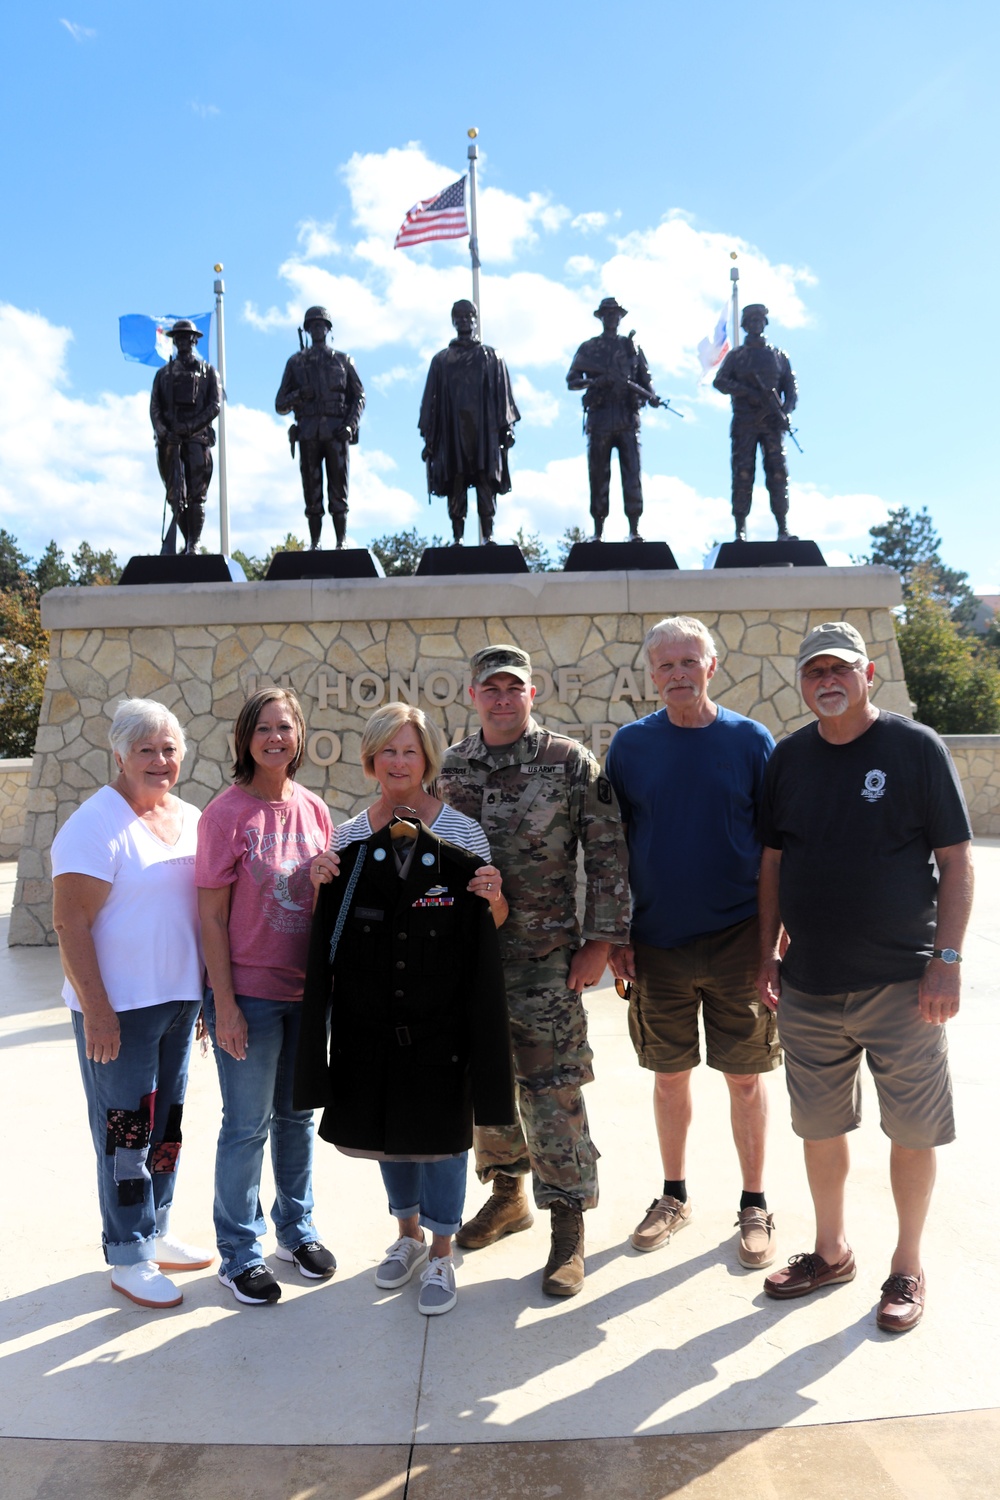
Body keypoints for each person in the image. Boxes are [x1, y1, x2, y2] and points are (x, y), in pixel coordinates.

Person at [757, 622, 974, 1332]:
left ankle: (907, 1265)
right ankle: (831, 1251)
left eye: (840, 669)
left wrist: (945, 961)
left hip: (903, 987)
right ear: (801, 682)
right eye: (814, 670)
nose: (827, 680)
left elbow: (957, 861)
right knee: (820, 1130)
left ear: (868, 674)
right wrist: (767, 955)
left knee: (910, 1131)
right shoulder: (787, 759)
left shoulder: (914, 748)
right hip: (809, 984)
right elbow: (775, 864)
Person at [306, 702, 511, 1316]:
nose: (399, 762)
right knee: (389, 1133)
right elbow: (331, 925)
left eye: (410, 751)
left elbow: (492, 922)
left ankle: (444, 1253)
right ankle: (407, 1238)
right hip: (369, 1017)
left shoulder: (463, 833)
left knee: (444, 1136)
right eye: (388, 751)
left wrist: (495, 895)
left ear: (428, 758)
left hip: (442, 1019)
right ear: (371, 759)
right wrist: (316, 878)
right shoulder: (346, 837)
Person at [437, 645, 630, 1296]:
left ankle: (568, 1226)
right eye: (489, 688)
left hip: (546, 956)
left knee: (551, 1091)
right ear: (472, 696)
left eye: (512, 687)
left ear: (532, 692)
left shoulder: (569, 762)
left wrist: (601, 941)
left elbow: (607, 855)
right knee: (485, 1086)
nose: (501, 698)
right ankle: (509, 1196)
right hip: (470, 958)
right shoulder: (455, 767)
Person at [604, 618, 781, 1269]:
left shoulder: (750, 741)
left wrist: (773, 943)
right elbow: (611, 847)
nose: (677, 673)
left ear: (712, 665)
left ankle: (755, 1203)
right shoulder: (630, 747)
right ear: (652, 674)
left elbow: (775, 849)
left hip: (739, 939)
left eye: (688, 661)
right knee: (669, 1077)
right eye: (665, 665)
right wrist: (616, 931)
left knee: (745, 1078)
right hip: (657, 944)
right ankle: (673, 1196)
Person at [51, 698, 211, 1309]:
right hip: (119, 1012)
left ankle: (158, 1228)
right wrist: (96, 1009)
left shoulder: (190, 817)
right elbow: (70, 924)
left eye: (169, 748)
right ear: (118, 754)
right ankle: (127, 1252)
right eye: (145, 749)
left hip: (177, 1004)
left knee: (165, 1124)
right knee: (124, 1134)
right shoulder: (95, 825)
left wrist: (199, 995)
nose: (160, 760)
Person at [196, 687, 336, 1306]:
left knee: (297, 1119)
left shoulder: (315, 810)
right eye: (263, 729)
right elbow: (210, 919)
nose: (275, 739)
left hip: (306, 995)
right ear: (244, 740)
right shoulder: (225, 815)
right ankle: (238, 1252)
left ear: (299, 735)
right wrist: (222, 1003)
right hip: (247, 996)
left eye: (285, 727)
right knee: (246, 1126)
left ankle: (295, 1229)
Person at [418, 299, 519, 545]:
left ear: (475, 320)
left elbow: (503, 395)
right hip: (453, 431)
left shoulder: (492, 356)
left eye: (468, 315)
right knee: (456, 481)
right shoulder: (441, 360)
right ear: (453, 321)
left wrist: (508, 428)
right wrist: (430, 438)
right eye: (459, 316)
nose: (464, 320)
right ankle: (458, 537)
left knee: (486, 481)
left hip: (484, 431)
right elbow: (430, 402)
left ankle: (489, 535)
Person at [566, 296, 666, 542]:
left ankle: (634, 529)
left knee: (632, 474)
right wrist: (595, 381)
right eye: (607, 314)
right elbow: (572, 380)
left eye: (615, 314)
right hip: (600, 419)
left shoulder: (631, 348)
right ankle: (598, 531)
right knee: (598, 476)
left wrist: (651, 396)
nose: (612, 318)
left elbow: (646, 379)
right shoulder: (589, 348)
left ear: (621, 317)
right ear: (601, 317)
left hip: (627, 419)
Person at [274, 305, 366, 550]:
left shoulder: (344, 360)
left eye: (321, 325)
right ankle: (315, 542)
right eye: (312, 325)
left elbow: (359, 397)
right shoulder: (295, 363)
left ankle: (341, 541)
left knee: (339, 489)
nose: (317, 329)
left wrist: (350, 425)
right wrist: (298, 395)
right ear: (307, 330)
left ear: (328, 329)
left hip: (337, 432)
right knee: (312, 490)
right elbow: (280, 404)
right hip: (308, 433)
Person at [712, 303, 797, 542]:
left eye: (760, 321)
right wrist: (747, 392)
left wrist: (785, 413)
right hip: (745, 424)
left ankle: (783, 527)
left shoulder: (779, 356)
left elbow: (791, 390)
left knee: (778, 473)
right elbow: (720, 382)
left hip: (772, 424)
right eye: (751, 322)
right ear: (745, 325)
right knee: (742, 474)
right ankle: (740, 528)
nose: (756, 325)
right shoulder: (737, 356)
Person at [149, 320, 221, 555]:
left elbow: (215, 406)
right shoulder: (163, 374)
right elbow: (155, 408)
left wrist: (190, 427)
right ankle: (186, 538)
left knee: (197, 495)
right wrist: (163, 431)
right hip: (169, 442)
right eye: (178, 338)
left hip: (197, 440)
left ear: (194, 340)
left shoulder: (209, 372)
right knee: (175, 496)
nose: (183, 342)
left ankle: (194, 544)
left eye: (187, 337)